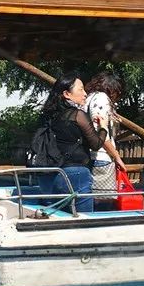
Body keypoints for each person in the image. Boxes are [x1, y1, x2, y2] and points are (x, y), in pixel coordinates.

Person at [38, 74, 126, 213]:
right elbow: (96, 144)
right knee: (85, 218)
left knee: (55, 217)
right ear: (67, 94)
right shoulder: (77, 115)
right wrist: (103, 126)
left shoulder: (49, 116)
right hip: (76, 173)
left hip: (50, 173)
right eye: (81, 90)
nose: (85, 93)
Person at [84, 71, 127, 199]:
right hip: (101, 157)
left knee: (91, 197)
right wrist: (117, 157)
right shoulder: (102, 98)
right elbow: (102, 133)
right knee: (104, 200)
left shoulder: (89, 97)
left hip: (88, 154)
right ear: (112, 88)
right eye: (117, 91)